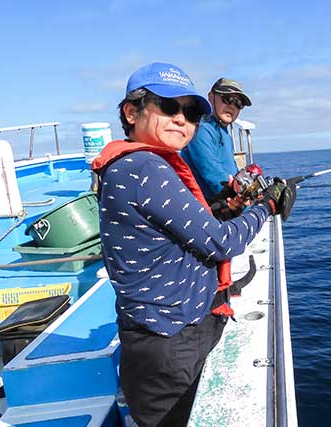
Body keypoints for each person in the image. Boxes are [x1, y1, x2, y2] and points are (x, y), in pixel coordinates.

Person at [91, 62, 295, 427]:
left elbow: (181, 229)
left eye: (191, 112)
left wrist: (233, 207)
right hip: (170, 343)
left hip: (165, 332)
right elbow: (221, 243)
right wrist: (266, 207)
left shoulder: (136, 165)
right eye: (168, 107)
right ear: (131, 111)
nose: (182, 119)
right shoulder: (144, 168)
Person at [180, 78, 252, 207]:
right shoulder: (201, 130)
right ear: (211, 97)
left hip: (226, 204)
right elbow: (214, 176)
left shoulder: (225, 134)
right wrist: (245, 196)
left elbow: (233, 172)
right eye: (227, 98)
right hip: (207, 211)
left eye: (239, 103)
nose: (232, 105)